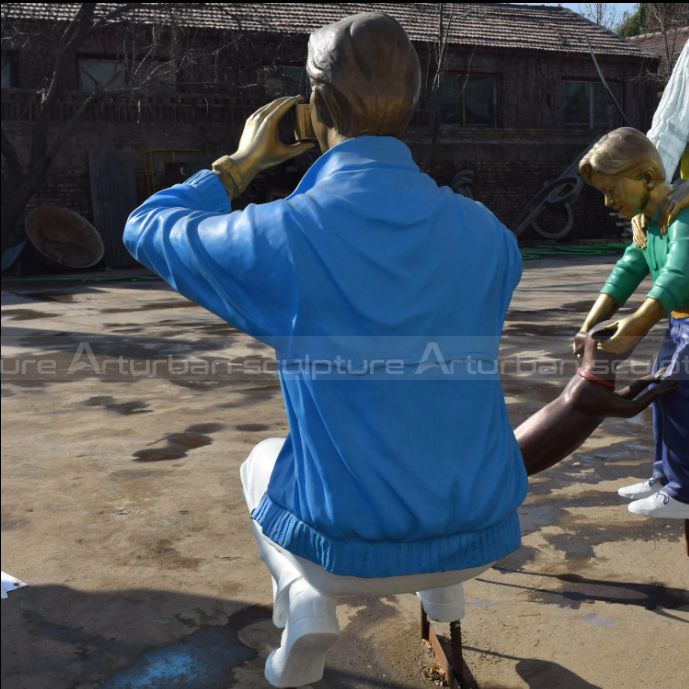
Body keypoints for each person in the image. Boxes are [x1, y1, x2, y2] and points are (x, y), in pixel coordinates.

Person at [124, 12, 527, 686]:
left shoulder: (288, 234)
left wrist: (240, 164)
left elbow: (149, 227)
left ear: (314, 108)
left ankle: (305, 598)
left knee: (260, 462)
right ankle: (442, 596)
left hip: (353, 548)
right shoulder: (487, 234)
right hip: (483, 530)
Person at [575, 127, 689, 520]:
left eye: (612, 190)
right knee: (663, 392)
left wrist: (637, 325)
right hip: (680, 323)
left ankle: (684, 490)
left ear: (645, 178)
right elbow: (629, 269)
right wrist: (590, 323)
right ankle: (664, 476)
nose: (609, 202)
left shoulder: (681, 216)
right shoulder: (649, 220)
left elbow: (678, 276)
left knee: (681, 396)